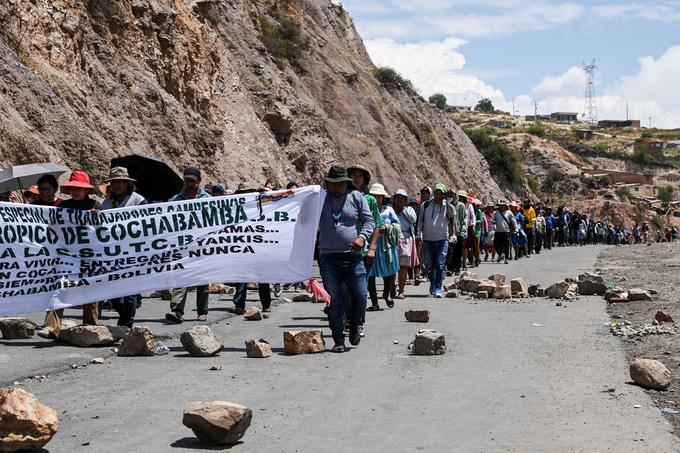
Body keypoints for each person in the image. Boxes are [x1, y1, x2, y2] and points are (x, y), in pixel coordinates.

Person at [36, 171, 102, 340]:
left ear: (86, 190)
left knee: (90, 289)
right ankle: (51, 327)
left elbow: (104, 230)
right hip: (66, 256)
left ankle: (91, 326)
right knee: (60, 287)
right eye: (73, 188)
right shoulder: (63, 207)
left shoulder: (96, 206)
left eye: (79, 188)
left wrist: (98, 218)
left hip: (88, 256)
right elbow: (51, 228)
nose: (75, 191)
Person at [317, 165, 374, 353]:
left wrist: (362, 237)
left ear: (346, 184)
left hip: (353, 258)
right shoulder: (319, 199)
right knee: (333, 301)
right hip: (328, 259)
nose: (336, 188)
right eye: (332, 184)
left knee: (360, 296)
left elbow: (369, 221)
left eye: (340, 184)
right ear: (327, 184)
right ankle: (338, 339)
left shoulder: (356, 197)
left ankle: (355, 324)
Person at [165, 167, 212, 324]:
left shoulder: (208, 200)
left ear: (199, 181)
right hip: (182, 245)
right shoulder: (176, 200)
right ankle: (177, 310)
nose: (189, 183)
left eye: (192, 181)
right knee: (181, 276)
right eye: (187, 180)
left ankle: (202, 311)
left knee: (202, 277)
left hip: (202, 244)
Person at [101, 167, 146, 327]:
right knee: (113, 291)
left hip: (133, 251)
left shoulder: (138, 201)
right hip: (112, 253)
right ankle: (125, 314)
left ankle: (127, 321)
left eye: (120, 182)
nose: (117, 185)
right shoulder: (105, 204)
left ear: (127, 183)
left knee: (130, 289)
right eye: (114, 182)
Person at [416, 183, 457, 298]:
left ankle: (438, 287)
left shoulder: (446, 206)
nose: (438, 196)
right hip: (428, 240)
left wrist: (448, 200)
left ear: (444, 195)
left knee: (439, 264)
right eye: (436, 193)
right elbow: (420, 221)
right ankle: (432, 283)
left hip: (442, 240)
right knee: (429, 264)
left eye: (441, 194)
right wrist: (418, 235)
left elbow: (452, 214)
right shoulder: (426, 204)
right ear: (434, 194)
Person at [366, 183, 400, 310]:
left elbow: (398, 226)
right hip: (371, 246)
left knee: (389, 271)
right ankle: (374, 303)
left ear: (382, 197)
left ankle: (386, 294)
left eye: (379, 197)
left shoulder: (389, 210)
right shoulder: (366, 209)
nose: (376, 199)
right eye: (373, 196)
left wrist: (386, 228)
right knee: (370, 274)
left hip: (386, 246)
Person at [393, 189, 417, 298]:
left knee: (403, 267)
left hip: (406, 239)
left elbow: (413, 219)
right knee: (392, 266)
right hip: (392, 239)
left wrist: (403, 210)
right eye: (397, 198)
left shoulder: (409, 210)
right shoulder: (390, 210)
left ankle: (401, 291)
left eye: (402, 198)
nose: (399, 200)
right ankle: (391, 288)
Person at [493, 200, 516, 264]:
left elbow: (513, 221)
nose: (501, 207)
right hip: (498, 231)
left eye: (502, 205)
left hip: (506, 231)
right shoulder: (496, 212)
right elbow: (493, 220)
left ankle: (506, 258)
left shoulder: (509, 212)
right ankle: (500, 254)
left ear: (505, 206)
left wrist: (516, 229)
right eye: (500, 205)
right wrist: (494, 225)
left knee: (506, 245)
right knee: (496, 244)